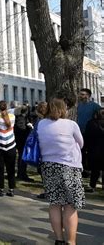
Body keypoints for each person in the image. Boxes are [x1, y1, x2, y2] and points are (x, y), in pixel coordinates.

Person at [37, 98, 85, 245]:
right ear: (64, 109)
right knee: (70, 205)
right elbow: (81, 143)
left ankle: (59, 239)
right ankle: (71, 241)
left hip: (48, 166)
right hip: (69, 166)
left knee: (55, 204)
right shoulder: (71, 125)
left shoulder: (41, 124)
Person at [0, 100, 17, 197]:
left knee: (0, 168)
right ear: (6, 107)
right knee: (11, 169)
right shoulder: (13, 117)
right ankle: (11, 189)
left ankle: (1, 189)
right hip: (11, 145)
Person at [77, 88, 101, 176]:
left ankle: (91, 169)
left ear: (88, 96)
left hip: (91, 133)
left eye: (83, 94)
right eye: (80, 94)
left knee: (91, 152)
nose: (81, 96)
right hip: (80, 131)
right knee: (81, 151)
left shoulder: (95, 106)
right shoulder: (78, 105)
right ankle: (83, 169)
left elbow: (100, 116)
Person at [84, 108, 104, 193]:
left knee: (95, 170)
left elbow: (87, 136)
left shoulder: (91, 123)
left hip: (94, 149)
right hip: (100, 149)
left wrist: (86, 148)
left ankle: (92, 185)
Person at [14, 103, 34, 182]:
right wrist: (29, 128)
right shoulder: (21, 119)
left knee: (21, 157)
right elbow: (21, 129)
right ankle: (22, 174)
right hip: (22, 140)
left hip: (19, 140)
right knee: (22, 157)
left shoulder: (18, 118)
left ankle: (21, 173)